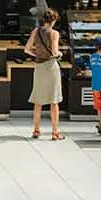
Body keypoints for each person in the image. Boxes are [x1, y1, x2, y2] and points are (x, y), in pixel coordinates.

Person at [24, 8, 65, 140]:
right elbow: (54, 52)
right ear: (53, 20)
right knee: (54, 102)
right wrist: (60, 53)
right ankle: (55, 133)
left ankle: (36, 131)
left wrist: (36, 54)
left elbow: (27, 49)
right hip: (51, 67)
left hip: (39, 67)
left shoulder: (36, 31)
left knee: (38, 101)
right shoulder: (54, 33)